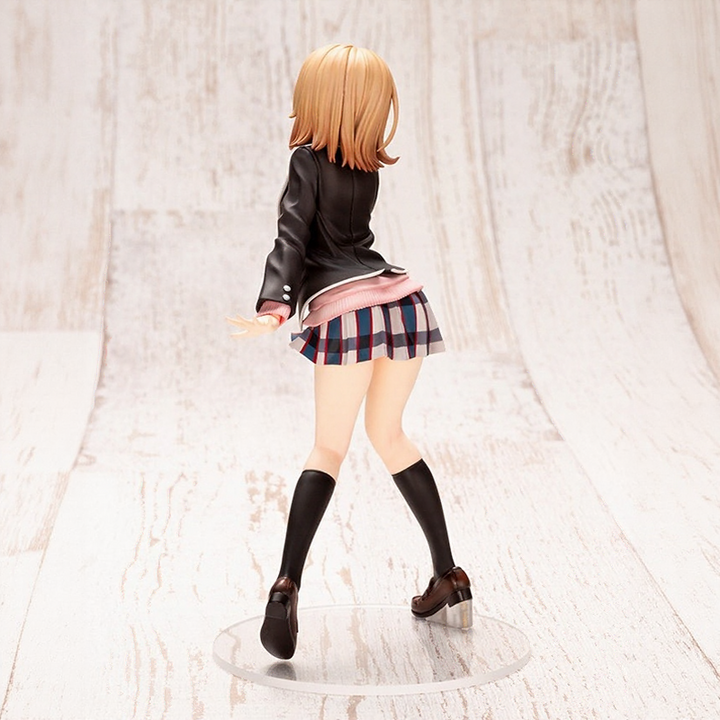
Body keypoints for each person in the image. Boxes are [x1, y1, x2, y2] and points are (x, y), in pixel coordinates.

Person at [227, 44, 472, 660]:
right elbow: (338, 238)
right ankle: (449, 575)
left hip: (349, 313)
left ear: (318, 99)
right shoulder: (367, 169)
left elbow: (292, 233)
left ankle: (286, 585)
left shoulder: (307, 161)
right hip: (402, 299)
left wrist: (275, 304)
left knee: (328, 449)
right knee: (390, 435)